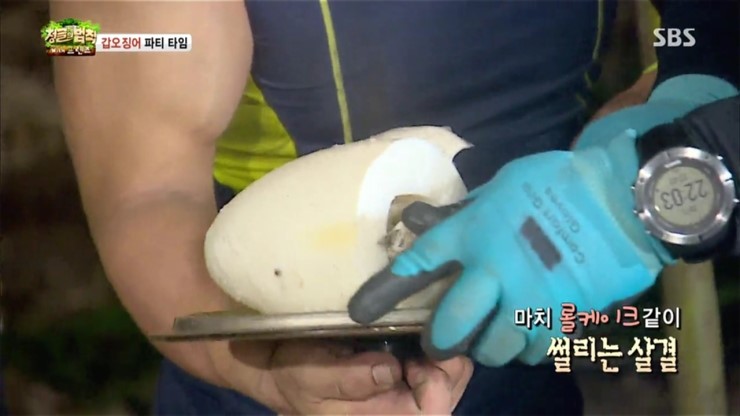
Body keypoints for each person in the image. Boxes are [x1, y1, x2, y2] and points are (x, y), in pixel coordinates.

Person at [50, 0, 737, 415]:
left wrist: (626, 175)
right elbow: (144, 189)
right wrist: (260, 370)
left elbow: (704, 50)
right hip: (266, 366)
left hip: (526, 353)